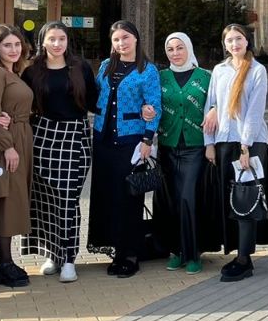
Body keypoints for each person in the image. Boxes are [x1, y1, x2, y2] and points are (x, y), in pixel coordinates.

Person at [202, 24, 268, 282]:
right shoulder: (220, 70)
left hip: (249, 145)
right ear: (224, 44)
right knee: (229, 201)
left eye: (239, 39)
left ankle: (244, 259)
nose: (235, 44)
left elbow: (255, 112)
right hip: (223, 142)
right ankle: (234, 250)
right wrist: (209, 143)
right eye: (229, 40)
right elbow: (211, 106)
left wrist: (245, 147)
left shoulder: (257, 70)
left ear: (247, 41)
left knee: (246, 200)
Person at [22, 21, 98, 283]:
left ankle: (68, 259)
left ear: (68, 41)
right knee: (46, 200)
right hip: (43, 137)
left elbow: (95, 102)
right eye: (52, 39)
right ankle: (53, 254)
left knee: (68, 200)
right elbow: (22, 103)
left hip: (76, 137)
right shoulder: (32, 71)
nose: (57, 44)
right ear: (42, 41)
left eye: (61, 39)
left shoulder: (80, 67)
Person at [88, 20, 162, 279]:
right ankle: (114, 250)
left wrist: (147, 140)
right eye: (116, 39)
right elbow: (95, 96)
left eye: (126, 38)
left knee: (128, 199)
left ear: (136, 39)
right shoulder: (106, 66)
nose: (121, 43)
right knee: (106, 196)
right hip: (103, 140)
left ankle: (130, 255)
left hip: (131, 142)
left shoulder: (147, 70)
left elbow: (155, 106)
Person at [156, 31, 216, 275]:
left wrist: (215, 109)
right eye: (170, 49)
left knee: (188, 198)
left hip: (195, 147)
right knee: (170, 200)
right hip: (167, 146)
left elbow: (219, 101)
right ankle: (175, 250)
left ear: (189, 48)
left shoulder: (206, 77)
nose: (175, 53)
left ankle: (193, 252)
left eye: (179, 48)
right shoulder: (160, 77)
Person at [0, 24, 35, 288]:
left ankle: (5, 260)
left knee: (15, 199)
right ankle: (3, 264)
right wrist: (7, 146)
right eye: (7, 45)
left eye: (17, 44)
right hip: (9, 143)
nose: (14, 49)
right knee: (6, 199)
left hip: (22, 137)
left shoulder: (14, 73)